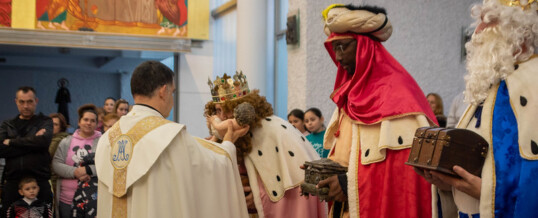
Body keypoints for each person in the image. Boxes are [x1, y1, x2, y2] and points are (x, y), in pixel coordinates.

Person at [417, 1, 538, 217]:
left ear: (520, 31)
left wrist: (486, 194)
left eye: (488, 21)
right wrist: (447, 183)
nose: (477, 32)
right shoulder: (490, 87)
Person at [319, 4, 437, 218]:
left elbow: (405, 176)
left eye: (343, 47)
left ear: (365, 47)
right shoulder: (349, 97)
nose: (337, 57)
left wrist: (347, 184)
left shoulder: (399, 93)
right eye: (334, 48)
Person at [95, 61, 249, 218]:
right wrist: (228, 144)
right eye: (173, 92)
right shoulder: (169, 136)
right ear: (163, 91)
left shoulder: (108, 138)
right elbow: (211, 167)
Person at [205, 72, 326, 218]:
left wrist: (256, 197)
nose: (222, 116)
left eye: (227, 109)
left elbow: (277, 184)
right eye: (218, 110)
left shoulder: (268, 130)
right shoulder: (234, 135)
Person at [0, 87, 54, 216]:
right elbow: (1, 150)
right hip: (14, 183)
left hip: (39, 181)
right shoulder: (7, 124)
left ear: (36, 101)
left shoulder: (45, 121)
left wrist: (12, 142)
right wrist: (33, 141)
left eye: (30, 101)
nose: (26, 106)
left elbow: (43, 142)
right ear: (16, 102)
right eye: (22, 102)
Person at [52, 104, 101, 218]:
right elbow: (56, 164)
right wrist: (76, 172)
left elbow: (107, 166)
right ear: (79, 122)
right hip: (66, 199)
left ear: (97, 124)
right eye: (86, 119)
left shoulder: (103, 142)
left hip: (92, 199)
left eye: (92, 121)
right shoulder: (66, 142)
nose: (89, 123)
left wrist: (88, 170)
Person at [48, 113, 70, 208]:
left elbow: (47, 156)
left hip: (55, 179)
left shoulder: (59, 139)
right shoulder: (49, 138)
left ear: (61, 127)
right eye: (50, 124)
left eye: (56, 124)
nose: (52, 127)